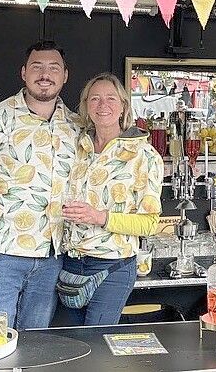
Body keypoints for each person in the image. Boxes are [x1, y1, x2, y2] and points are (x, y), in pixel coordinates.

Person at [0, 40, 80, 329]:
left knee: (34, 346)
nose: (44, 74)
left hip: (52, 258)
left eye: (53, 68)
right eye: (37, 67)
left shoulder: (76, 125)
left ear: (65, 75)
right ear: (23, 73)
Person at [60, 73, 164, 326]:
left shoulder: (144, 156)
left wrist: (99, 217)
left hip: (113, 266)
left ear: (123, 106)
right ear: (85, 106)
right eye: (94, 98)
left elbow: (150, 225)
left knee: (97, 342)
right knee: (71, 344)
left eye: (110, 98)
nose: (102, 105)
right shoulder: (76, 147)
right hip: (69, 264)